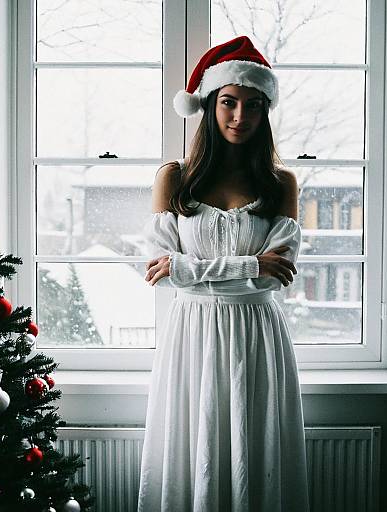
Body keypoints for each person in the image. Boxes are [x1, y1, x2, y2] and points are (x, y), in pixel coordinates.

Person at [137, 35, 310, 512]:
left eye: (253, 106)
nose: (240, 117)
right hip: (192, 336)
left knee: (256, 454)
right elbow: (161, 269)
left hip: (257, 335)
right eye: (229, 103)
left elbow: (278, 278)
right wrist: (251, 264)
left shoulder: (281, 183)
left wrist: (191, 268)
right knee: (194, 451)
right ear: (210, 105)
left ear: (265, 112)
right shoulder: (175, 178)